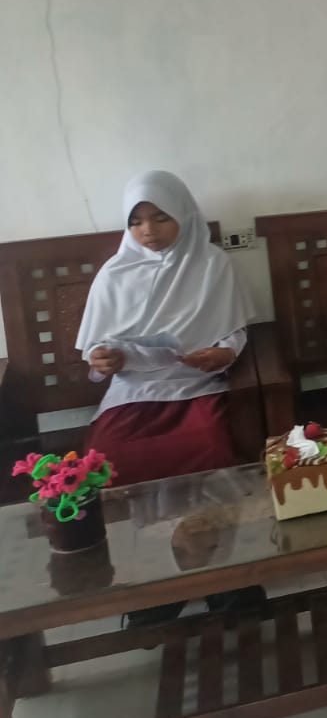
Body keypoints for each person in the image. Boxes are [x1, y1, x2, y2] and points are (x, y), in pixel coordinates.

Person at [77, 170, 263, 622]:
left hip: (194, 385)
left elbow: (234, 332)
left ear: (184, 214)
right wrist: (103, 360)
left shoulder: (212, 264)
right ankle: (152, 586)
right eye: (136, 221)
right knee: (110, 459)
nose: (149, 231)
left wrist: (223, 353)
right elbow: (95, 352)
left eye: (161, 217)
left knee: (210, 447)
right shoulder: (114, 274)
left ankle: (225, 578)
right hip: (132, 392)